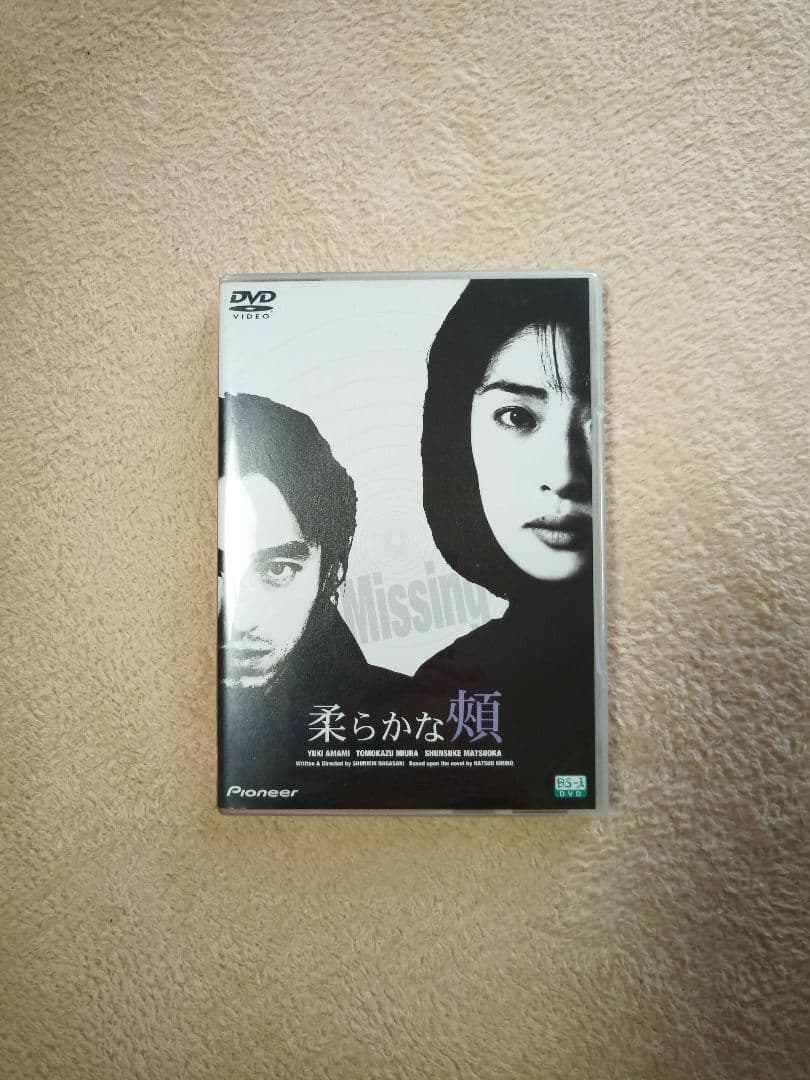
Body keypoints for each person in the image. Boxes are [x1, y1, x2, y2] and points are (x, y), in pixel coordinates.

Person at [416, 277, 596, 808]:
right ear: (456, 431)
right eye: (517, 417)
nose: (563, 474)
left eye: (601, 423)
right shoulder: (452, 688)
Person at [218, 393, 406, 797]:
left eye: (277, 570)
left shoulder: (403, 717)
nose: (238, 619)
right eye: (210, 570)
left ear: (332, 574)